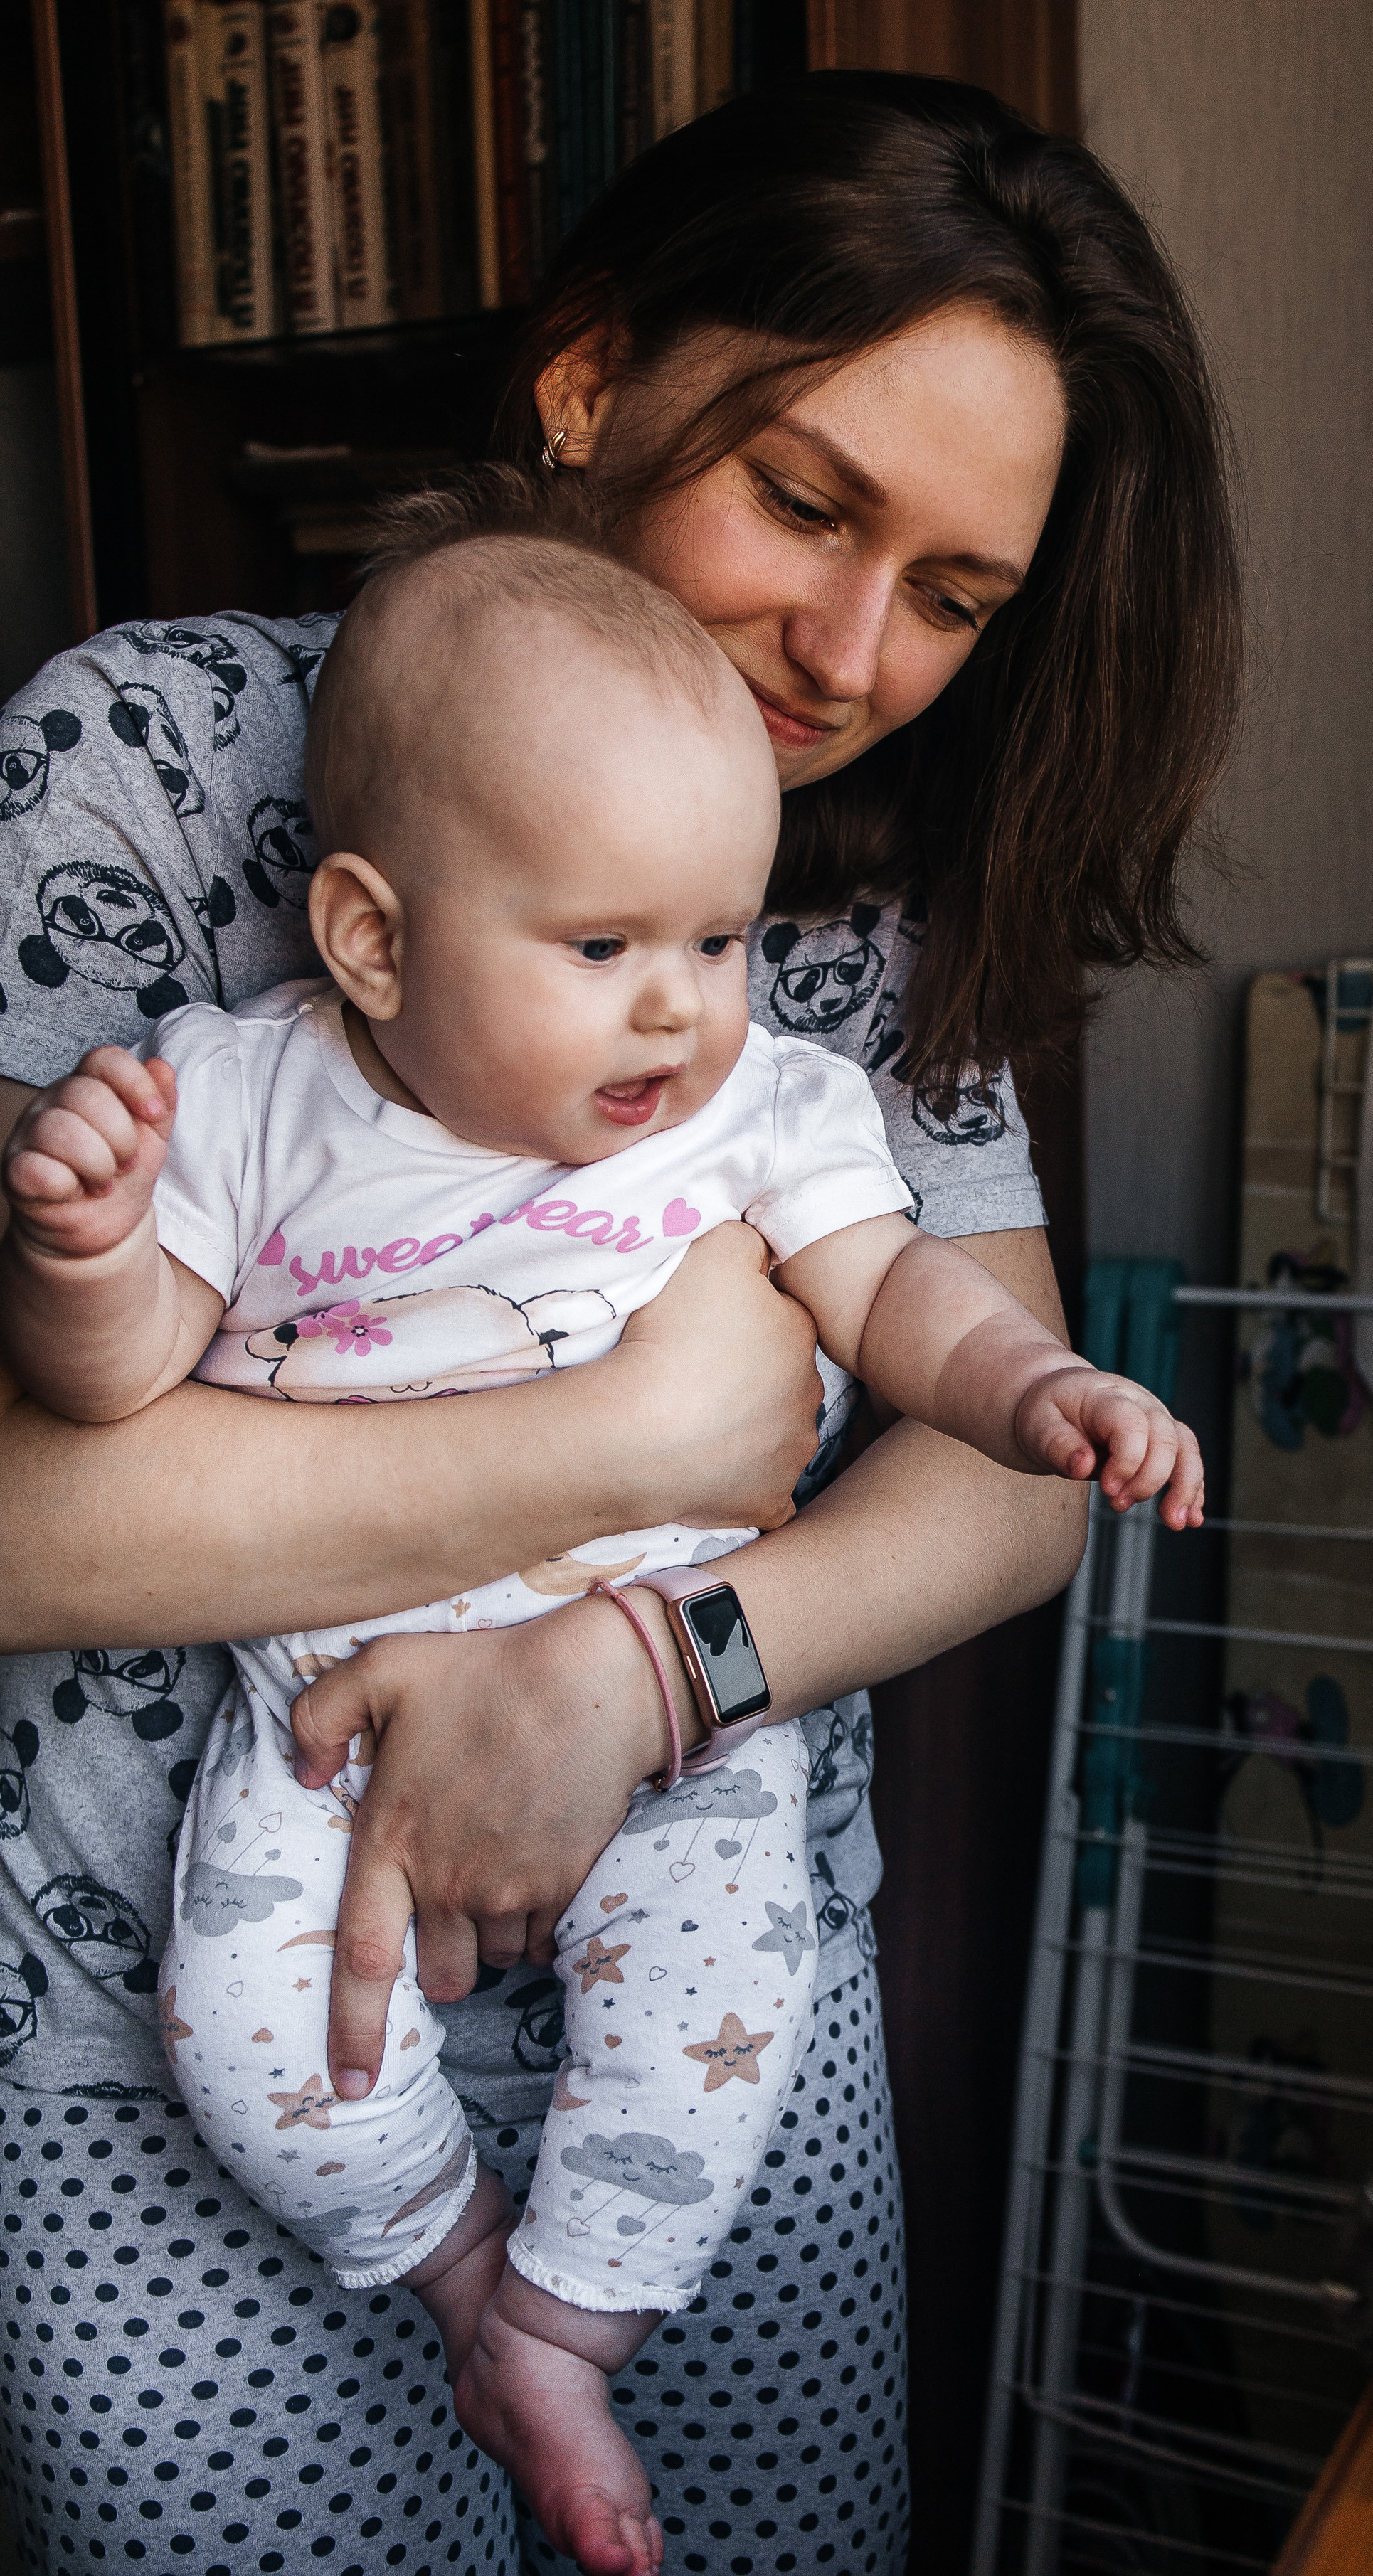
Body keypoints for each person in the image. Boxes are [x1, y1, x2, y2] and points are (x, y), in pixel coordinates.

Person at [0, 69, 1238, 2576]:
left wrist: (649, 1671)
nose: (854, 652)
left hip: (713, 1986)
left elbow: (993, 1473)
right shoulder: (142, 768)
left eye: (960, 597)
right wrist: (643, 1424)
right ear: (588, 379)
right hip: (186, 2024)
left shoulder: (856, 896)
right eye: (804, 499)